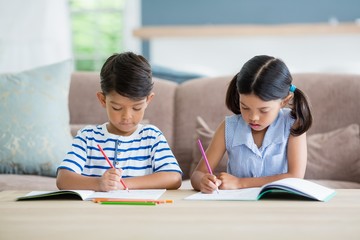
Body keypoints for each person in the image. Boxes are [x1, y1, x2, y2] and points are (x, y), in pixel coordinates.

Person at [57, 52, 182, 191]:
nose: (126, 116)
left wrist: (123, 184)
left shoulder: (152, 136)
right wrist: (99, 184)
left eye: (136, 107)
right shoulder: (88, 137)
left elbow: (174, 178)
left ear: (148, 100)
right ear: (103, 100)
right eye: (117, 108)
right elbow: (63, 179)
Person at [191, 55, 313, 193]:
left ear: (284, 101)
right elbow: (197, 175)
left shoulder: (293, 124)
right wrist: (203, 181)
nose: (253, 117)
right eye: (245, 107)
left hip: (279, 205)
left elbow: (295, 177)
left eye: (263, 110)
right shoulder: (229, 127)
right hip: (239, 207)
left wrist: (240, 183)